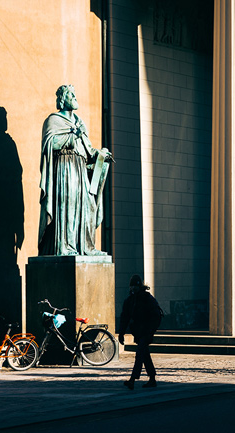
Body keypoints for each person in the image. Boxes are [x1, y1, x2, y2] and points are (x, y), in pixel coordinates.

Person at [38, 84, 114, 256]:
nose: (74, 97)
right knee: (69, 206)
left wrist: (100, 154)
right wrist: (72, 136)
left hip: (80, 169)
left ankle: (86, 247)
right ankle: (65, 247)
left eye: (74, 94)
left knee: (87, 205)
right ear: (63, 100)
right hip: (65, 168)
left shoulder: (80, 123)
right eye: (71, 95)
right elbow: (50, 144)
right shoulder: (53, 120)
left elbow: (86, 149)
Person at [118, 275, 162, 390]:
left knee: (139, 354)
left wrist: (151, 331)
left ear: (140, 286)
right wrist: (121, 333)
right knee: (145, 355)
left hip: (146, 331)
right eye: (132, 286)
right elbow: (124, 317)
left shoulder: (147, 298)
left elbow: (156, 315)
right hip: (138, 332)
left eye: (136, 285)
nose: (133, 288)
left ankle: (132, 379)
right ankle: (152, 379)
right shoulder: (129, 300)